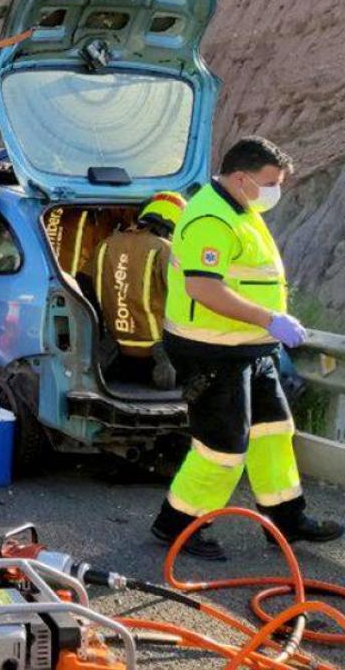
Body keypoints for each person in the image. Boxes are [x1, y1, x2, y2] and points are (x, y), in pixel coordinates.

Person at [151, 137, 343, 559]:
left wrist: (268, 328)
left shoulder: (241, 208)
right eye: (270, 181)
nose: (275, 190)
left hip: (250, 350)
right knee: (221, 449)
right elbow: (203, 287)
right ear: (241, 177)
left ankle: (286, 522)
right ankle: (179, 525)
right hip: (213, 352)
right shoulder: (210, 216)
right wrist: (268, 319)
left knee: (273, 433)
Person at [94, 192, 185, 390]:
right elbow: (186, 296)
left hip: (116, 356)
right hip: (156, 358)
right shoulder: (165, 249)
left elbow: (86, 285)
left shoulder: (105, 245)